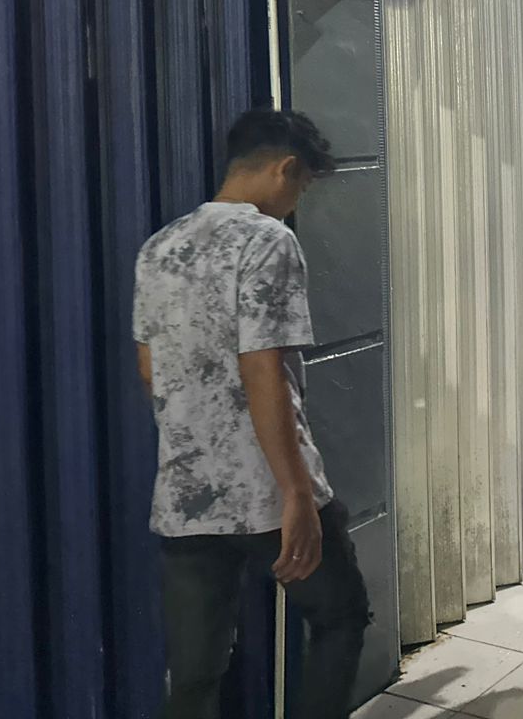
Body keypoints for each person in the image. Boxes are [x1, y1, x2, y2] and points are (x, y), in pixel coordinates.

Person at [133, 109, 368, 719]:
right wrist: (296, 494)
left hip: (186, 496)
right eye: (302, 187)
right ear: (285, 169)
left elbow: (151, 371)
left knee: (194, 672)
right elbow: (262, 368)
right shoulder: (268, 239)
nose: (295, 203)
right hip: (267, 487)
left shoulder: (159, 249)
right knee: (340, 616)